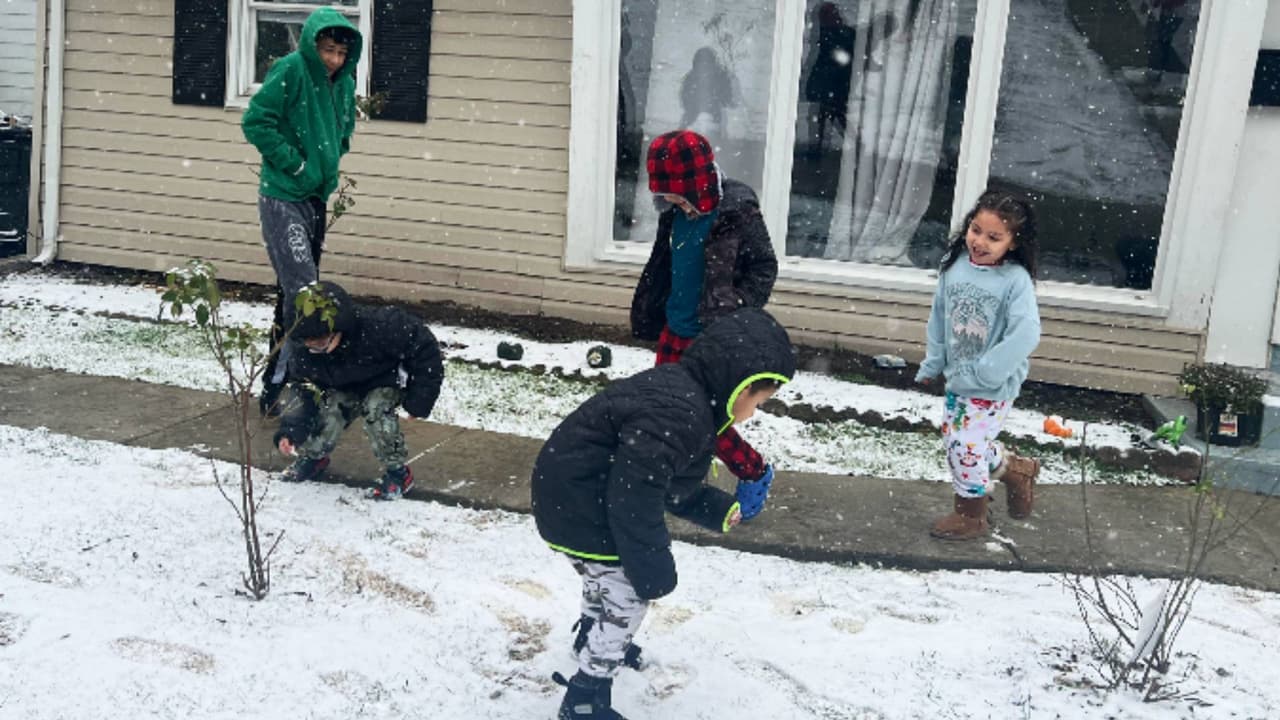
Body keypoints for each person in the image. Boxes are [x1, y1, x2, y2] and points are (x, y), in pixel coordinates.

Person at [532, 308, 795, 719]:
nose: (754, 412)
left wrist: (717, 509)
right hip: (582, 504)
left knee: (603, 577)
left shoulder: (686, 399)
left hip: (568, 496)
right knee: (629, 597)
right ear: (740, 388)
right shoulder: (683, 413)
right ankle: (586, 694)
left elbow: (666, 484)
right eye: (759, 401)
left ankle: (591, 636)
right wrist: (652, 569)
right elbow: (634, 496)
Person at [630, 129, 780, 518]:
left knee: (703, 419)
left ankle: (755, 471)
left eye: (675, 192)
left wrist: (737, 308)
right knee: (666, 411)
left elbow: (764, 267)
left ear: (696, 182)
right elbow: (665, 265)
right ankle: (688, 472)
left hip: (711, 336)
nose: (669, 200)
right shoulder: (674, 215)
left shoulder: (736, 213)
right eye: (664, 194)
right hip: (673, 328)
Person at [242, 8, 362, 417]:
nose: (334, 60)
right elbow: (257, 121)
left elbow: (343, 127)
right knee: (306, 295)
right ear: (312, 45)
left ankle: (279, 380)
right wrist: (295, 164)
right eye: (328, 50)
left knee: (293, 294)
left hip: (315, 197)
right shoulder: (291, 70)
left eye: (342, 53)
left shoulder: (341, 84)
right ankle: (291, 385)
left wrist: (332, 156)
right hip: (283, 196)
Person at [915, 191, 1043, 540]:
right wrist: (933, 362)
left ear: (1014, 243)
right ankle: (1015, 469)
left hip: (993, 383)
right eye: (976, 230)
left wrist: (987, 372)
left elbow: (1026, 334)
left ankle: (971, 515)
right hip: (958, 378)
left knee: (965, 446)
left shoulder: (1014, 281)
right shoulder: (954, 267)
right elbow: (940, 318)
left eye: (994, 237)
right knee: (957, 439)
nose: (980, 242)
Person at [272, 282, 444, 501]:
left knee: (376, 410)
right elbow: (302, 391)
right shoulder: (306, 355)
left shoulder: (381, 327)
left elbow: (425, 350)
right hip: (343, 387)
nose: (317, 349)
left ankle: (398, 473)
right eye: (311, 345)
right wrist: (290, 432)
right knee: (329, 411)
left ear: (339, 329)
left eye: (323, 343)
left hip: (385, 380)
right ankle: (314, 458)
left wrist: (419, 401)